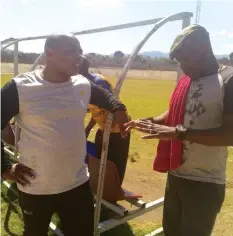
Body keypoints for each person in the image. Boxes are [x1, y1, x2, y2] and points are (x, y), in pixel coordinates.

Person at [1, 34, 129, 236]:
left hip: (77, 185)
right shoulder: (20, 88)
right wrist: (5, 167)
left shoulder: (81, 84)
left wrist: (119, 108)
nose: (79, 56)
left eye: (80, 51)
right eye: (71, 51)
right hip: (36, 186)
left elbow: (104, 95)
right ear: (50, 54)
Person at [125, 25, 233, 236]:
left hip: (205, 182)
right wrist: (150, 121)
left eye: (185, 59)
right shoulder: (187, 80)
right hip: (176, 175)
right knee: (171, 232)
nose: (183, 67)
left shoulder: (228, 80)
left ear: (202, 49)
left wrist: (180, 133)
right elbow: (176, 111)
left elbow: (230, 134)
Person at [80, 56, 130, 185]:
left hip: (118, 129)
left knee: (114, 166)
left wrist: (111, 130)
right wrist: (88, 129)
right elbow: (94, 110)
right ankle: (101, 191)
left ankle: (113, 195)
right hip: (104, 129)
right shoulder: (81, 84)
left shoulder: (98, 82)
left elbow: (110, 106)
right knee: (100, 163)